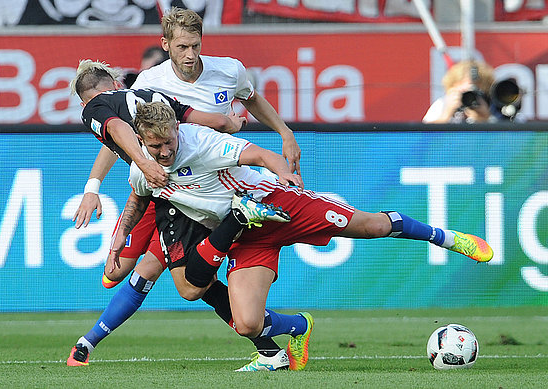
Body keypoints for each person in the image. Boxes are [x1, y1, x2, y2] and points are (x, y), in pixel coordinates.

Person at [111, 101, 494, 371]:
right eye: (154, 146)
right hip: (244, 232)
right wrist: (117, 243)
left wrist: (285, 175)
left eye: (168, 143)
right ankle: (299, 326)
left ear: (178, 129)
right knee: (246, 322)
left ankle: (443, 237)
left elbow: (261, 156)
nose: (163, 152)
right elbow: (136, 200)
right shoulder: (142, 167)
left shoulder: (201, 142)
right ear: (142, 142)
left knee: (373, 226)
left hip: (275, 203)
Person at [70, 7, 302, 370]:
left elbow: (250, 99)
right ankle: (281, 338)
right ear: (167, 45)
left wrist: (283, 132)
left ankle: (85, 345)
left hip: (202, 190)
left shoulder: (229, 69)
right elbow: (120, 134)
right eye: (182, 47)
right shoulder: (151, 82)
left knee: (174, 278)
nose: (190, 55)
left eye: (195, 46)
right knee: (116, 274)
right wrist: (94, 185)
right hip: (158, 186)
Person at [423, 60, 496, 123]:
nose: (469, 96)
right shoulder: (443, 104)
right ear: (453, 87)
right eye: (464, 92)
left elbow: (502, 136)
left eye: (475, 92)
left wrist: (485, 118)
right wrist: (446, 115)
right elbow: (423, 135)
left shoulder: (493, 106)